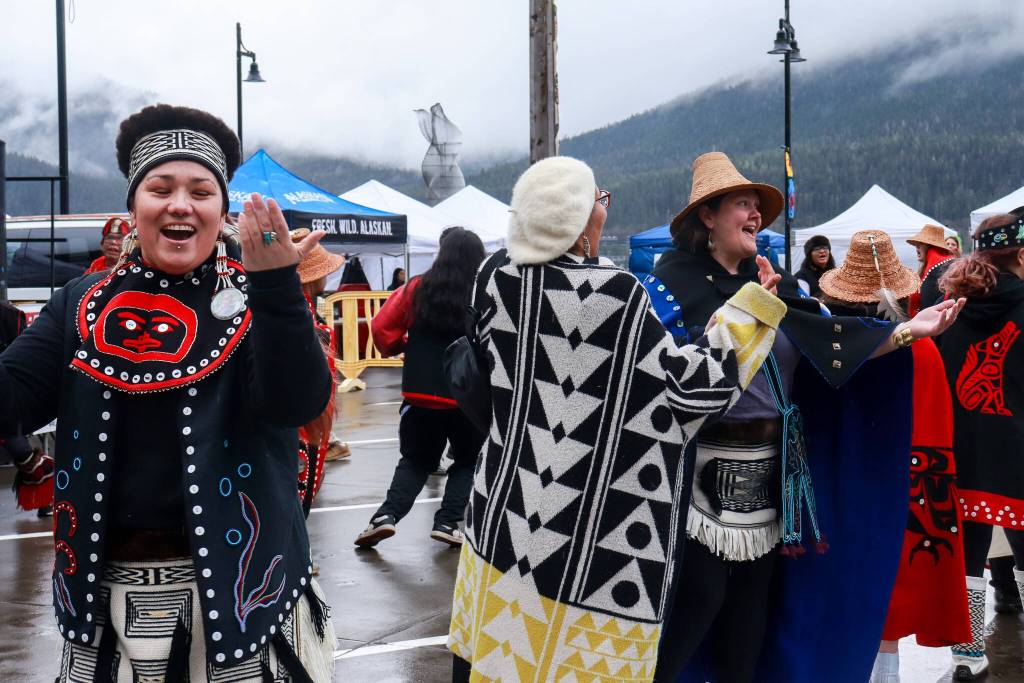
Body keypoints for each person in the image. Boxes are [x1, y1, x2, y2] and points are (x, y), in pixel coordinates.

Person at [0, 104, 336, 681]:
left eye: (200, 191)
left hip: (243, 599)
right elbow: (10, 402)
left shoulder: (258, 299)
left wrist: (277, 288)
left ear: (221, 209)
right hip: (108, 601)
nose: (180, 204)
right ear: (134, 207)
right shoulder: (79, 304)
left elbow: (296, 404)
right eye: (161, 188)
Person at [447, 156, 789, 682]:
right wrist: (749, 314)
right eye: (598, 201)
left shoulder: (496, 279)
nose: (604, 210)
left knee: (497, 658)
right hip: (591, 541)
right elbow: (693, 390)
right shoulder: (618, 296)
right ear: (581, 220)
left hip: (503, 518)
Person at [643, 152, 964, 683]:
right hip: (694, 478)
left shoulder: (779, 288)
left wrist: (912, 330)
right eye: (742, 204)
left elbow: (836, 346)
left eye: (757, 207)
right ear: (709, 217)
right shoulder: (667, 290)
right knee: (698, 600)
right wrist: (742, 317)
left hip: (774, 477)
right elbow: (670, 377)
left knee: (753, 609)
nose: (755, 215)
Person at [816, 232, 970, 683]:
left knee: (852, 589)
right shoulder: (920, 348)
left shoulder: (836, 349)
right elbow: (937, 431)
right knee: (894, 590)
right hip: (913, 491)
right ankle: (888, 673)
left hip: (849, 487)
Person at [354, 226, 488, 549]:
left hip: (420, 392)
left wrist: (403, 345)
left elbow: (382, 328)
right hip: (466, 398)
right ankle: (447, 522)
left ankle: (384, 517)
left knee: (415, 460)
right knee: (467, 461)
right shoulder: (482, 292)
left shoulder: (417, 288)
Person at [938, 213, 1024, 681]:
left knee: (967, 560)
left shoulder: (951, 305)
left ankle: (967, 658)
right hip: (1017, 452)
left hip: (961, 453)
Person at [291, 228, 347, 513]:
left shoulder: (306, 311)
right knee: (298, 501)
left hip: (310, 423)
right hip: (302, 427)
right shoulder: (302, 318)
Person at [908, 224, 956, 315]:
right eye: (916, 244)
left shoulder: (941, 268)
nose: (916, 247)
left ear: (930, 247)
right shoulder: (931, 268)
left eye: (920, 244)